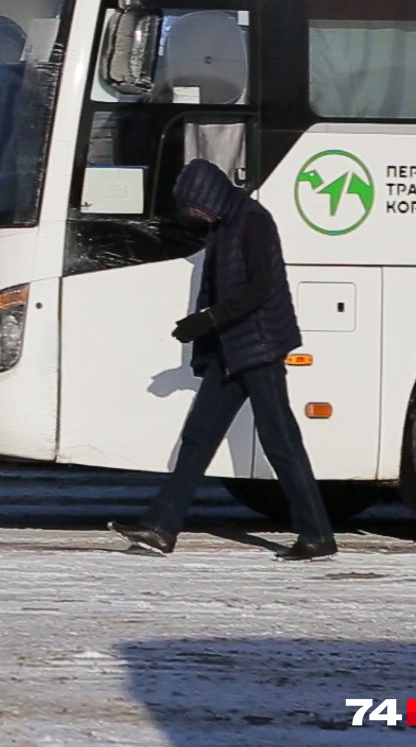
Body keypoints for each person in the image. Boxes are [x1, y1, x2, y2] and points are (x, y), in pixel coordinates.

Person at [109, 159, 338, 562]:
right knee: (198, 438)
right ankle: (161, 529)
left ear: (210, 197)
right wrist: (208, 332)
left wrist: (207, 320)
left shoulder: (253, 222)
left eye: (196, 206)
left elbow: (262, 288)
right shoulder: (224, 225)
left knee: (280, 441)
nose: (194, 214)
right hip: (232, 349)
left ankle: (318, 535)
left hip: (260, 347)